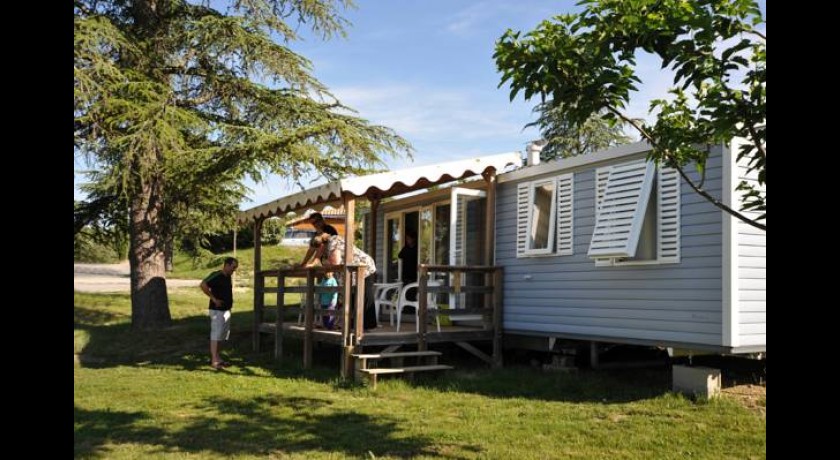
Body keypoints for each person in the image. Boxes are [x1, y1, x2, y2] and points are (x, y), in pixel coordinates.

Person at [317, 233, 378, 330]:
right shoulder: (326, 251)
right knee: (352, 299)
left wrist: (325, 262)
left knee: (365, 297)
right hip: (352, 274)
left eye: (317, 248)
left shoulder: (334, 240)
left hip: (365, 269)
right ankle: (353, 325)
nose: (316, 252)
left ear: (321, 245)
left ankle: (368, 326)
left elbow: (336, 261)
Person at [200, 257, 238, 370]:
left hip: (227, 310)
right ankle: (214, 360)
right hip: (217, 311)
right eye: (233, 267)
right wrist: (214, 299)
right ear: (226, 265)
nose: (234, 270)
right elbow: (203, 284)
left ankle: (218, 357)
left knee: (223, 334)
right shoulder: (216, 275)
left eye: (235, 268)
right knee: (216, 334)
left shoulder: (228, 277)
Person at [399, 229, 419, 301]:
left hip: (414, 274)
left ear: (413, 239)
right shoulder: (406, 248)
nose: (407, 240)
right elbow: (399, 256)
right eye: (407, 239)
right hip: (405, 274)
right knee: (405, 292)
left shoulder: (417, 249)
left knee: (412, 292)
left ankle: (411, 309)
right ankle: (405, 308)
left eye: (409, 239)